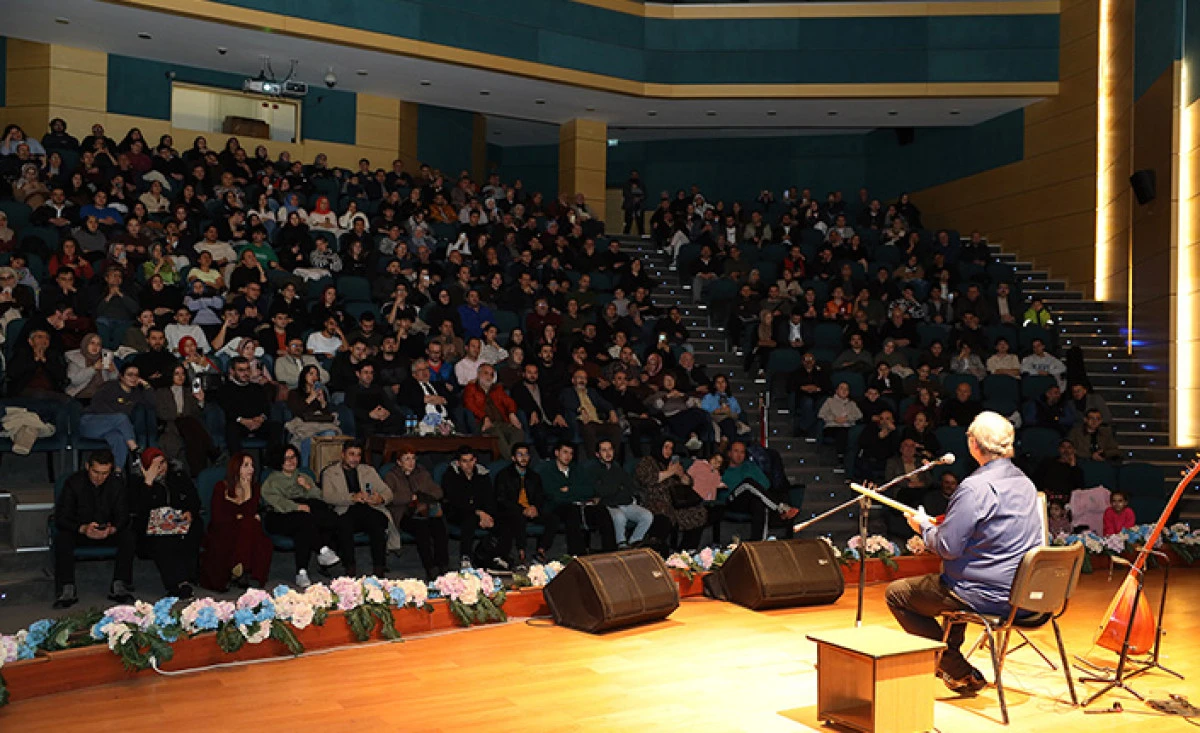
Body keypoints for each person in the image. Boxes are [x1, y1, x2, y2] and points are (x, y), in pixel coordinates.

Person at [885, 412, 1042, 693]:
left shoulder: (974, 487)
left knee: (898, 594)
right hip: (1028, 595)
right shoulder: (1025, 483)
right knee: (949, 581)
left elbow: (948, 548)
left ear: (973, 444)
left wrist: (922, 527)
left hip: (987, 596)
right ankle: (953, 669)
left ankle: (955, 665)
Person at [52, 450, 136, 607]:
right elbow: (61, 517)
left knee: (128, 536)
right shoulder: (73, 483)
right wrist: (83, 528)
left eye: (105, 473)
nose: (99, 477)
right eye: (95, 472)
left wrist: (113, 529)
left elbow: (123, 515)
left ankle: (119, 584)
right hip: (80, 531)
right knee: (62, 538)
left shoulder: (116, 484)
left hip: (107, 531)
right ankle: (67, 587)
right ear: (87, 467)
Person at [261, 445, 343, 588]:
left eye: (293, 457)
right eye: (286, 458)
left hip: (303, 517)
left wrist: (307, 487)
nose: (291, 461)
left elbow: (320, 497)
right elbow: (276, 502)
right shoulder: (272, 481)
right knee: (305, 519)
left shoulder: (303, 476)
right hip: (279, 515)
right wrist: (297, 507)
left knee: (310, 523)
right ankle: (322, 550)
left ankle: (302, 571)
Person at [132, 448, 202, 597]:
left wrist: (189, 512)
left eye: (163, 463)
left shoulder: (178, 476)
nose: (161, 468)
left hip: (179, 521)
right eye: (155, 465)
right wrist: (148, 483)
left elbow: (193, 499)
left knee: (195, 527)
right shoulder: (138, 482)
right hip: (153, 529)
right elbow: (138, 510)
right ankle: (177, 583)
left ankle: (189, 576)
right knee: (164, 540)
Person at [199, 453, 274, 590]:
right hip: (222, 528)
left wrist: (247, 493)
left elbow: (249, 512)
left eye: (252, 465)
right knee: (249, 525)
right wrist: (239, 517)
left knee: (252, 529)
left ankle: (240, 567)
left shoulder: (254, 488)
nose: (251, 469)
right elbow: (218, 516)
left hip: (245, 529)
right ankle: (242, 569)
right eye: (246, 465)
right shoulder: (221, 487)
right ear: (236, 468)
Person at [321, 441, 392, 576]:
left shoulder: (368, 470)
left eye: (358, 455)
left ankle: (379, 567)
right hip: (345, 509)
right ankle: (350, 567)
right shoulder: (330, 472)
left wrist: (380, 498)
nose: (355, 459)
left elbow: (388, 492)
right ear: (343, 455)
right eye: (351, 454)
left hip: (367, 508)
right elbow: (327, 497)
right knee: (344, 524)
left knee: (378, 521)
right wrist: (352, 497)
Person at [537, 441, 616, 555]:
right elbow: (554, 496)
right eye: (565, 452)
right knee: (571, 510)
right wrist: (577, 493)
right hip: (557, 508)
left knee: (602, 510)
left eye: (571, 453)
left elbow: (590, 490)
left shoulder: (578, 469)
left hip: (581, 505)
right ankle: (578, 554)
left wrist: (569, 490)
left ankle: (611, 552)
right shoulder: (546, 471)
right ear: (557, 453)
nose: (568, 456)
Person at [385, 449, 450, 580]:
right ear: (399, 462)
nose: (411, 462)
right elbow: (390, 497)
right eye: (407, 459)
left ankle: (442, 565)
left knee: (439, 525)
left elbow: (438, 491)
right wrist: (410, 497)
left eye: (413, 458)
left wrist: (423, 497)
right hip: (403, 514)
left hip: (424, 511)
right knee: (422, 529)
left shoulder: (422, 473)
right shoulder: (391, 476)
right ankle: (430, 567)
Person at [493, 442, 561, 565]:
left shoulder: (534, 476)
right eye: (520, 454)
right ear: (513, 458)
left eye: (526, 454)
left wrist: (535, 507)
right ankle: (521, 552)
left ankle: (541, 550)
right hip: (512, 510)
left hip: (531, 509)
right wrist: (522, 509)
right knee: (518, 517)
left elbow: (540, 496)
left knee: (553, 519)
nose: (523, 458)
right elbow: (501, 499)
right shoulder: (503, 475)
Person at [714, 440, 797, 541]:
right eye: (736, 451)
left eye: (742, 452)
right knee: (747, 483)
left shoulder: (750, 466)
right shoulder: (722, 468)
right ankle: (780, 508)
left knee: (759, 502)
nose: (739, 455)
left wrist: (754, 489)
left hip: (749, 500)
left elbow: (766, 484)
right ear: (729, 453)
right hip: (731, 500)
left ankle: (758, 541)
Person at [79, 362, 156, 469]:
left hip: (112, 429)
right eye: (130, 374)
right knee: (121, 418)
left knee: (119, 438)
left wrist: (146, 385)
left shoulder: (136, 394)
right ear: (121, 376)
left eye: (136, 375)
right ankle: (134, 450)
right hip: (91, 423)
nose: (134, 378)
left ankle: (118, 471)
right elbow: (96, 404)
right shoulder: (110, 386)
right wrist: (116, 418)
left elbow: (152, 403)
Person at [636, 438, 707, 551]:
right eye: (666, 447)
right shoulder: (647, 461)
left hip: (676, 500)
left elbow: (688, 482)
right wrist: (671, 472)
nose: (668, 451)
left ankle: (686, 550)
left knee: (699, 512)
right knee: (666, 514)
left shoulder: (672, 463)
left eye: (671, 448)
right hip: (656, 500)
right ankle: (657, 549)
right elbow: (648, 479)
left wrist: (681, 475)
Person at [589, 438, 654, 548]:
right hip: (608, 506)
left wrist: (614, 489)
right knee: (619, 516)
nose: (608, 453)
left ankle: (634, 541)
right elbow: (600, 492)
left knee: (647, 515)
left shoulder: (617, 467)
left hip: (625, 503)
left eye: (610, 449)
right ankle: (621, 544)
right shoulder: (593, 470)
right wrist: (617, 488)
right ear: (597, 454)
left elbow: (630, 487)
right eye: (604, 450)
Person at [442, 446, 501, 566]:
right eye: (464, 461)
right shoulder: (450, 476)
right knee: (469, 519)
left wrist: (487, 515)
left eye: (471, 460)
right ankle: (466, 556)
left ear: (475, 460)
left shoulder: (483, 475)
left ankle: (496, 555)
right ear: (458, 463)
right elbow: (455, 501)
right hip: (456, 512)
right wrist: (478, 513)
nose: (468, 465)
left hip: (481, 512)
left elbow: (489, 498)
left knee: (502, 518)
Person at [156, 364, 217, 476]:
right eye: (177, 374)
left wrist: (200, 401)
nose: (181, 377)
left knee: (193, 436)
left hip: (189, 426)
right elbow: (161, 413)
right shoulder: (161, 392)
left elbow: (196, 412)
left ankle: (198, 473)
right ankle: (212, 451)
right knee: (188, 421)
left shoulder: (189, 392)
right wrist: (179, 415)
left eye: (183, 373)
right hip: (172, 424)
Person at [220, 356, 283, 453]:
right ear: (232, 371)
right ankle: (239, 463)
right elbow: (228, 410)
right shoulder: (226, 389)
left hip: (257, 423)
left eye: (247, 369)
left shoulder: (257, 387)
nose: (245, 373)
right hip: (239, 424)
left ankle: (271, 462)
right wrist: (243, 420)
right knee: (231, 430)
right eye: (241, 370)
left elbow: (266, 407)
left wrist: (261, 418)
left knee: (276, 427)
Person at [463, 364, 526, 459]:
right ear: (478, 374)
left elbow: (509, 402)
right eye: (486, 373)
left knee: (518, 431)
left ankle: (512, 458)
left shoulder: (497, 389)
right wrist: (484, 417)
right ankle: (512, 459)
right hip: (484, 423)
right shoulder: (471, 388)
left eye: (491, 374)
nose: (489, 377)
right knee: (496, 432)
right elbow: (469, 405)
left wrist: (512, 413)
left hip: (501, 422)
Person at [511, 362, 573, 458]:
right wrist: (532, 411)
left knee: (567, 431)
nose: (532, 375)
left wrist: (558, 414)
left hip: (550, 420)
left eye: (535, 373)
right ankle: (545, 458)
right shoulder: (518, 388)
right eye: (529, 372)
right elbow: (522, 402)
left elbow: (554, 401)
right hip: (534, 422)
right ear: (523, 374)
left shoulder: (543, 386)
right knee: (539, 433)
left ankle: (555, 456)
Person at [559, 368, 624, 458]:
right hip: (582, 422)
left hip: (596, 422)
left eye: (584, 378)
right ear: (573, 380)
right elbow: (566, 402)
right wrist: (580, 409)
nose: (582, 380)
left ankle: (613, 459)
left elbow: (604, 403)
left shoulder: (592, 392)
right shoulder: (567, 391)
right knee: (589, 429)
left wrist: (611, 410)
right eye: (579, 378)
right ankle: (593, 460)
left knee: (616, 428)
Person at [817, 381, 862, 457]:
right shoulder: (829, 401)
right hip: (833, 426)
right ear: (836, 390)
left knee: (853, 433)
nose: (844, 391)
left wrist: (847, 418)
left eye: (846, 389)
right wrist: (834, 419)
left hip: (848, 426)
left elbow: (859, 415)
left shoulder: (852, 403)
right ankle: (841, 455)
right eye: (842, 388)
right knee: (842, 432)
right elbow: (821, 414)